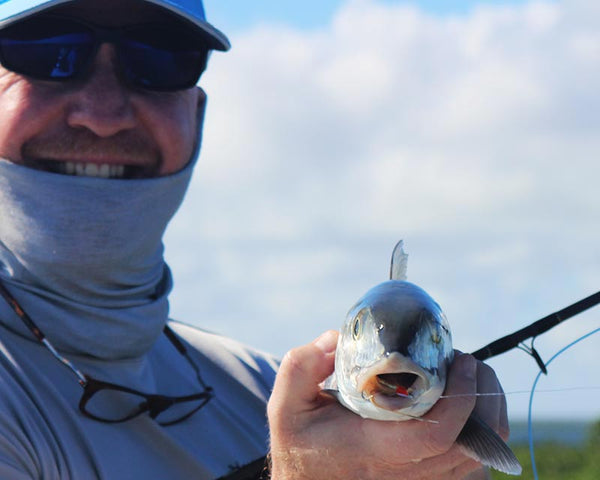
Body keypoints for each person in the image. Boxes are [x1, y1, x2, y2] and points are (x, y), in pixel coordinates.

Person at [0, 0, 508, 479]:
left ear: (196, 118)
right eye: (49, 51)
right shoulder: (287, 416)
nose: (103, 114)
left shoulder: (270, 392)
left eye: (158, 57)